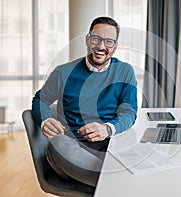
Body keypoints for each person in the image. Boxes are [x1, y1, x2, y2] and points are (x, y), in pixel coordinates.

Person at [31, 16, 138, 187]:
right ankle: (119, 184)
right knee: (58, 144)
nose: (102, 46)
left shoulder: (124, 71)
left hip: (107, 146)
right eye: (96, 39)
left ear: (115, 47)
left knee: (136, 149)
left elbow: (129, 112)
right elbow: (40, 99)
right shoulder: (63, 72)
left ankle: (114, 182)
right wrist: (45, 119)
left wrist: (106, 129)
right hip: (70, 150)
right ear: (87, 40)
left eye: (109, 42)